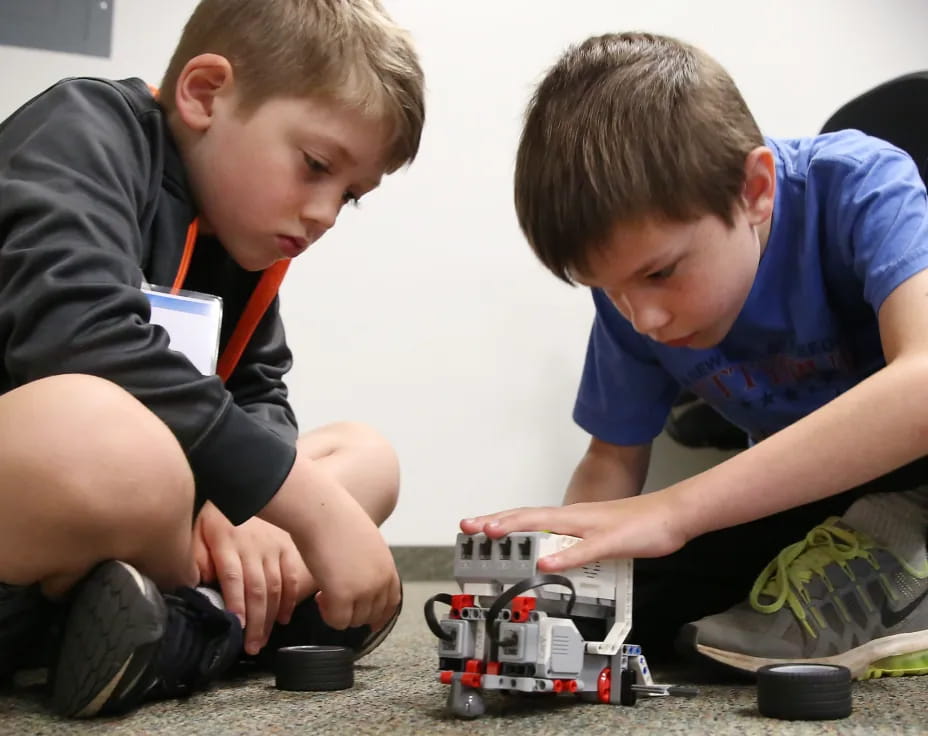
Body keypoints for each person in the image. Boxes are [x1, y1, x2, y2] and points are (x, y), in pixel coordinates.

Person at [0, 0, 424, 718]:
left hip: (146, 521)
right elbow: (79, 338)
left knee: (365, 455)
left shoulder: (246, 234)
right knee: (104, 433)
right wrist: (305, 512)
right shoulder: (83, 128)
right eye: (316, 165)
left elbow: (258, 388)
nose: (324, 213)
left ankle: (174, 621)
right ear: (204, 94)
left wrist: (256, 508)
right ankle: (221, 624)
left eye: (347, 197)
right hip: (51, 503)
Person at [463, 31, 928, 680]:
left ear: (756, 190)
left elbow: (922, 383)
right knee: (640, 606)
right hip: (814, 490)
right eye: (610, 289)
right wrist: (562, 576)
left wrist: (673, 509)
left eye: (660, 274)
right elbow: (611, 460)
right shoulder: (632, 303)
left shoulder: (859, 184)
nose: (643, 318)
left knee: (674, 525)